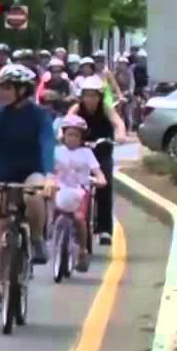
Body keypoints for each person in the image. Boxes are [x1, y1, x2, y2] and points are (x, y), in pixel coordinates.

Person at [0, 64, 54, 312]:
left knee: (34, 195)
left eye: (6, 87)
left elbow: (47, 143)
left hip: (31, 171)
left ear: (22, 90)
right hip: (2, 173)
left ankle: (37, 239)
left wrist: (49, 176)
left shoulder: (39, 115)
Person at [68, 75, 127, 247]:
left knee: (105, 186)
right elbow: (66, 123)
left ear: (100, 97)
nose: (90, 99)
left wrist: (121, 134)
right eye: (87, 95)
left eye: (94, 95)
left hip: (102, 151)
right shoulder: (77, 108)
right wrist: (61, 135)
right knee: (69, 182)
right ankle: (67, 221)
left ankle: (104, 230)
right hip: (81, 151)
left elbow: (119, 123)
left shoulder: (106, 109)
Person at [51, 114, 107, 271]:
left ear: (82, 137)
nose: (73, 138)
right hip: (60, 188)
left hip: (80, 190)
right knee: (48, 201)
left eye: (76, 135)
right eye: (70, 134)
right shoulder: (56, 151)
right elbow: (48, 169)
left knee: (79, 219)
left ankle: (82, 250)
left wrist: (101, 179)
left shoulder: (86, 153)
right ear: (64, 135)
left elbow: (98, 172)